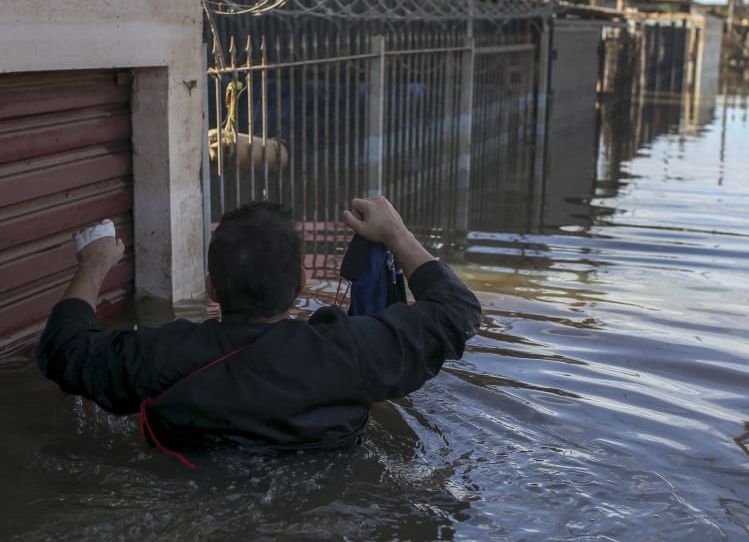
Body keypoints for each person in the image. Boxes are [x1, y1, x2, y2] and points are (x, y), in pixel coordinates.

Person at [37, 196, 482, 465]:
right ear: (300, 286)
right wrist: (396, 234)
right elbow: (457, 310)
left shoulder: (160, 354)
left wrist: (93, 266)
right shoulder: (352, 352)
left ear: (212, 288)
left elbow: (62, 349)